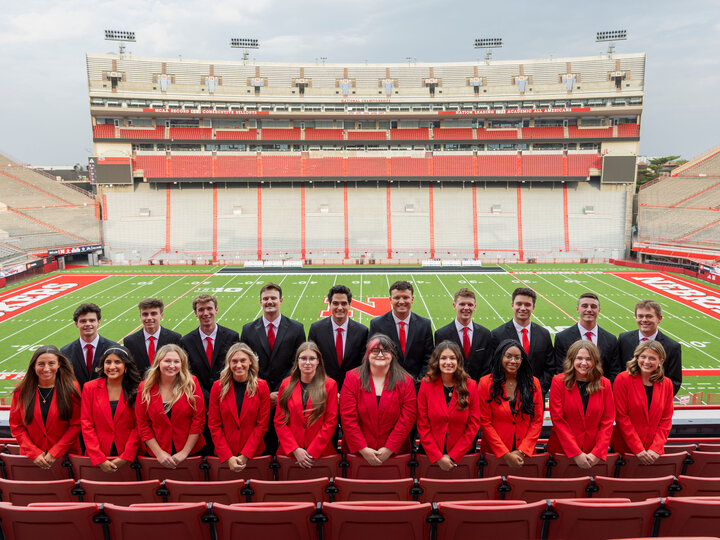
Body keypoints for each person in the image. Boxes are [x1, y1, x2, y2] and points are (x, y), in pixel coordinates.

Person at [339, 334, 417, 465]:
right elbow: (348, 418)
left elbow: (407, 418)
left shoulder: (406, 381)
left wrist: (389, 449)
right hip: (358, 455)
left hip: (395, 455)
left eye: (385, 350)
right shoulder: (352, 378)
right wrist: (363, 449)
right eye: (375, 351)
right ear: (367, 354)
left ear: (392, 355)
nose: (380, 354)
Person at [9, 345, 81, 468]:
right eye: (41, 364)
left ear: (59, 364)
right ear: (34, 366)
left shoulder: (71, 388)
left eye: (51, 363)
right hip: (31, 459)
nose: (46, 368)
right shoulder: (21, 390)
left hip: (65, 458)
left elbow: (76, 425)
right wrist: (34, 453)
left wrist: (54, 453)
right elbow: (17, 426)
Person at [548, 340, 615, 469]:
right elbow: (558, 420)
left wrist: (597, 453)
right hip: (563, 453)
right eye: (579, 358)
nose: (584, 363)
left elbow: (607, 421)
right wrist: (576, 453)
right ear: (572, 359)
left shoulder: (605, 384)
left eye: (588, 359)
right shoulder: (558, 382)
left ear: (595, 362)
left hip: (593, 456)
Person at [135, 344, 205, 468]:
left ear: (182, 364)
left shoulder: (191, 383)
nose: (172, 365)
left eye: (176, 362)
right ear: (158, 362)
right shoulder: (145, 387)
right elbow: (143, 424)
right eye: (167, 361)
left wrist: (184, 452)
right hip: (158, 455)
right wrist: (159, 453)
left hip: (190, 453)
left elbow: (198, 420)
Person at [477, 339, 544, 468]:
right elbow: (485, 421)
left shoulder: (533, 383)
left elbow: (537, 420)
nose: (513, 361)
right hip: (494, 454)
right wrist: (505, 454)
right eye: (508, 356)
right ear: (500, 357)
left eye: (517, 357)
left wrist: (522, 451)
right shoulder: (485, 383)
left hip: (524, 455)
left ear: (522, 360)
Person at [416, 341, 481, 470]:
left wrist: (454, 455)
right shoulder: (426, 384)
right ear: (437, 361)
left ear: (458, 361)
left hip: (461, 456)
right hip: (431, 456)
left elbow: (474, 424)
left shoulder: (471, 385)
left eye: (452, 358)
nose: (448, 362)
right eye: (443, 358)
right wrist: (438, 457)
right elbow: (422, 424)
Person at [207, 343, 271, 471]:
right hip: (225, 457)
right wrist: (228, 456)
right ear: (229, 364)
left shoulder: (262, 387)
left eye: (243, 361)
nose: (239, 365)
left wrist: (245, 455)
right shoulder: (217, 387)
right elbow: (214, 425)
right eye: (234, 361)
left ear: (251, 362)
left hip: (254, 455)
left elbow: (261, 425)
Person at [274, 342, 339, 467]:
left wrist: (312, 452)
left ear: (318, 361)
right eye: (303, 358)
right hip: (291, 455)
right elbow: (279, 421)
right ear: (297, 361)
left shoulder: (330, 385)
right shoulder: (286, 384)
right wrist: (295, 449)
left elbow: (330, 422)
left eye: (312, 359)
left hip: (320, 455)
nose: (307, 362)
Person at [81, 346, 143, 473]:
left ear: (126, 366)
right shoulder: (89, 388)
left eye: (118, 362)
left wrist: (126, 456)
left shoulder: (138, 389)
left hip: (130, 457)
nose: (112, 366)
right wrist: (99, 458)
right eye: (108, 362)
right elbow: (86, 424)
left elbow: (139, 426)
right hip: (97, 457)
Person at [611, 340, 674, 463]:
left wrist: (655, 448)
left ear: (661, 361)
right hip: (625, 450)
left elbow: (666, 420)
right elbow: (621, 417)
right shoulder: (622, 379)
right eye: (643, 357)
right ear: (637, 357)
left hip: (653, 454)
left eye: (652, 358)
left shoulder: (667, 384)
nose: (646, 362)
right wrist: (638, 449)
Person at [240, 283, 306, 397]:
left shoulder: (296, 329)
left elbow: (296, 365)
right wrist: (265, 391)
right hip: (257, 392)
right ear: (260, 302)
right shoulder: (247, 330)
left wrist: (280, 390)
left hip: (287, 393)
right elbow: (246, 364)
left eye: (273, 298)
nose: (269, 301)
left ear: (281, 300)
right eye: (265, 299)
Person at [490, 287, 555, 395]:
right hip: (507, 396)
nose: (523, 308)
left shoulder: (544, 334)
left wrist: (538, 390)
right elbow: (494, 367)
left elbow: (550, 367)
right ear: (512, 305)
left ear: (533, 307)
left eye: (527, 305)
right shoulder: (498, 334)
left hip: (536, 396)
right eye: (519, 304)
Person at [180, 294, 240, 406]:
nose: (206, 313)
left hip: (227, 397)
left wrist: (222, 394)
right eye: (201, 310)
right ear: (195, 313)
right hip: (198, 400)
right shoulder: (186, 341)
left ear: (216, 310)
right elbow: (187, 373)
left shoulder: (232, 337)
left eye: (209, 308)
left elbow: (235, 369)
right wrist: (207, 398)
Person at [308, 285, 369, 390]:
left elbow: (363, 365)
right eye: (335, 303)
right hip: (323, 389)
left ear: (349, 305)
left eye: (344, 303)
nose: (340, 308)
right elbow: (313, 362)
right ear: (329, 304)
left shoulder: (362, 331)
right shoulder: (316, 329)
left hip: (353, 389)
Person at [369, 280, 434, 379]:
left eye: (405, 297)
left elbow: (429, 357)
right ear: (390, 299)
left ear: (412, 299)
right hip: (387, 385)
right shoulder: (377, 324)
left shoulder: (424, 325)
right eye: (397, 298)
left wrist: (419, 380)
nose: (401, 301)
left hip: (416, 385)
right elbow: (372, 356)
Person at [618, 300, 682, 395]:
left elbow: (674, 382)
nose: (644, 320)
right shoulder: (624, 339)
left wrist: (656, 400)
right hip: (626, 398)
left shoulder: (672, 347)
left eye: (649, 316)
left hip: (655, 402)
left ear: (659, 319)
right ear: (635, 317)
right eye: (640, 316)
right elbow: (617, 370)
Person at [553, 292, 621, 382]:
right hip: (572, 391)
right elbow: (561, 371)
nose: (589, 309)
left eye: (593, 306)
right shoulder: (562, 338)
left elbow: (614, 372)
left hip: (601, 391)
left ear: (599, 310)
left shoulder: (611, 339)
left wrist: (600, 389)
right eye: (584, 306)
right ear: (577, 309)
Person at [434, 288, 493, 381]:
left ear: (475, 307)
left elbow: (488, 366)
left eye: (470, 305)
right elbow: (439, 364)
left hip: (477, 388)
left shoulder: (485, 334)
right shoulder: (441, 334)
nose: (466, 308)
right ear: (454, 306)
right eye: (462, 304)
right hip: (452, 387)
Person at [61, 303, 120, 388]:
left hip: (105, 399)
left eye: (92, 320)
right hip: (78, 399)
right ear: (76, 324)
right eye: (83, 321)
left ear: (99, 322)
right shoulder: (65, 352)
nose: (88, 324)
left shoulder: (114, 348)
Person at [123, 298, 182, 376]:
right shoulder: (130, 341)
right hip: (141, 387)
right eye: (145, 314)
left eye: (153, 314)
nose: (149, 318)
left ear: (161, 316)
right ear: (140, 316)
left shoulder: (175, 338)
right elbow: (130, 370)